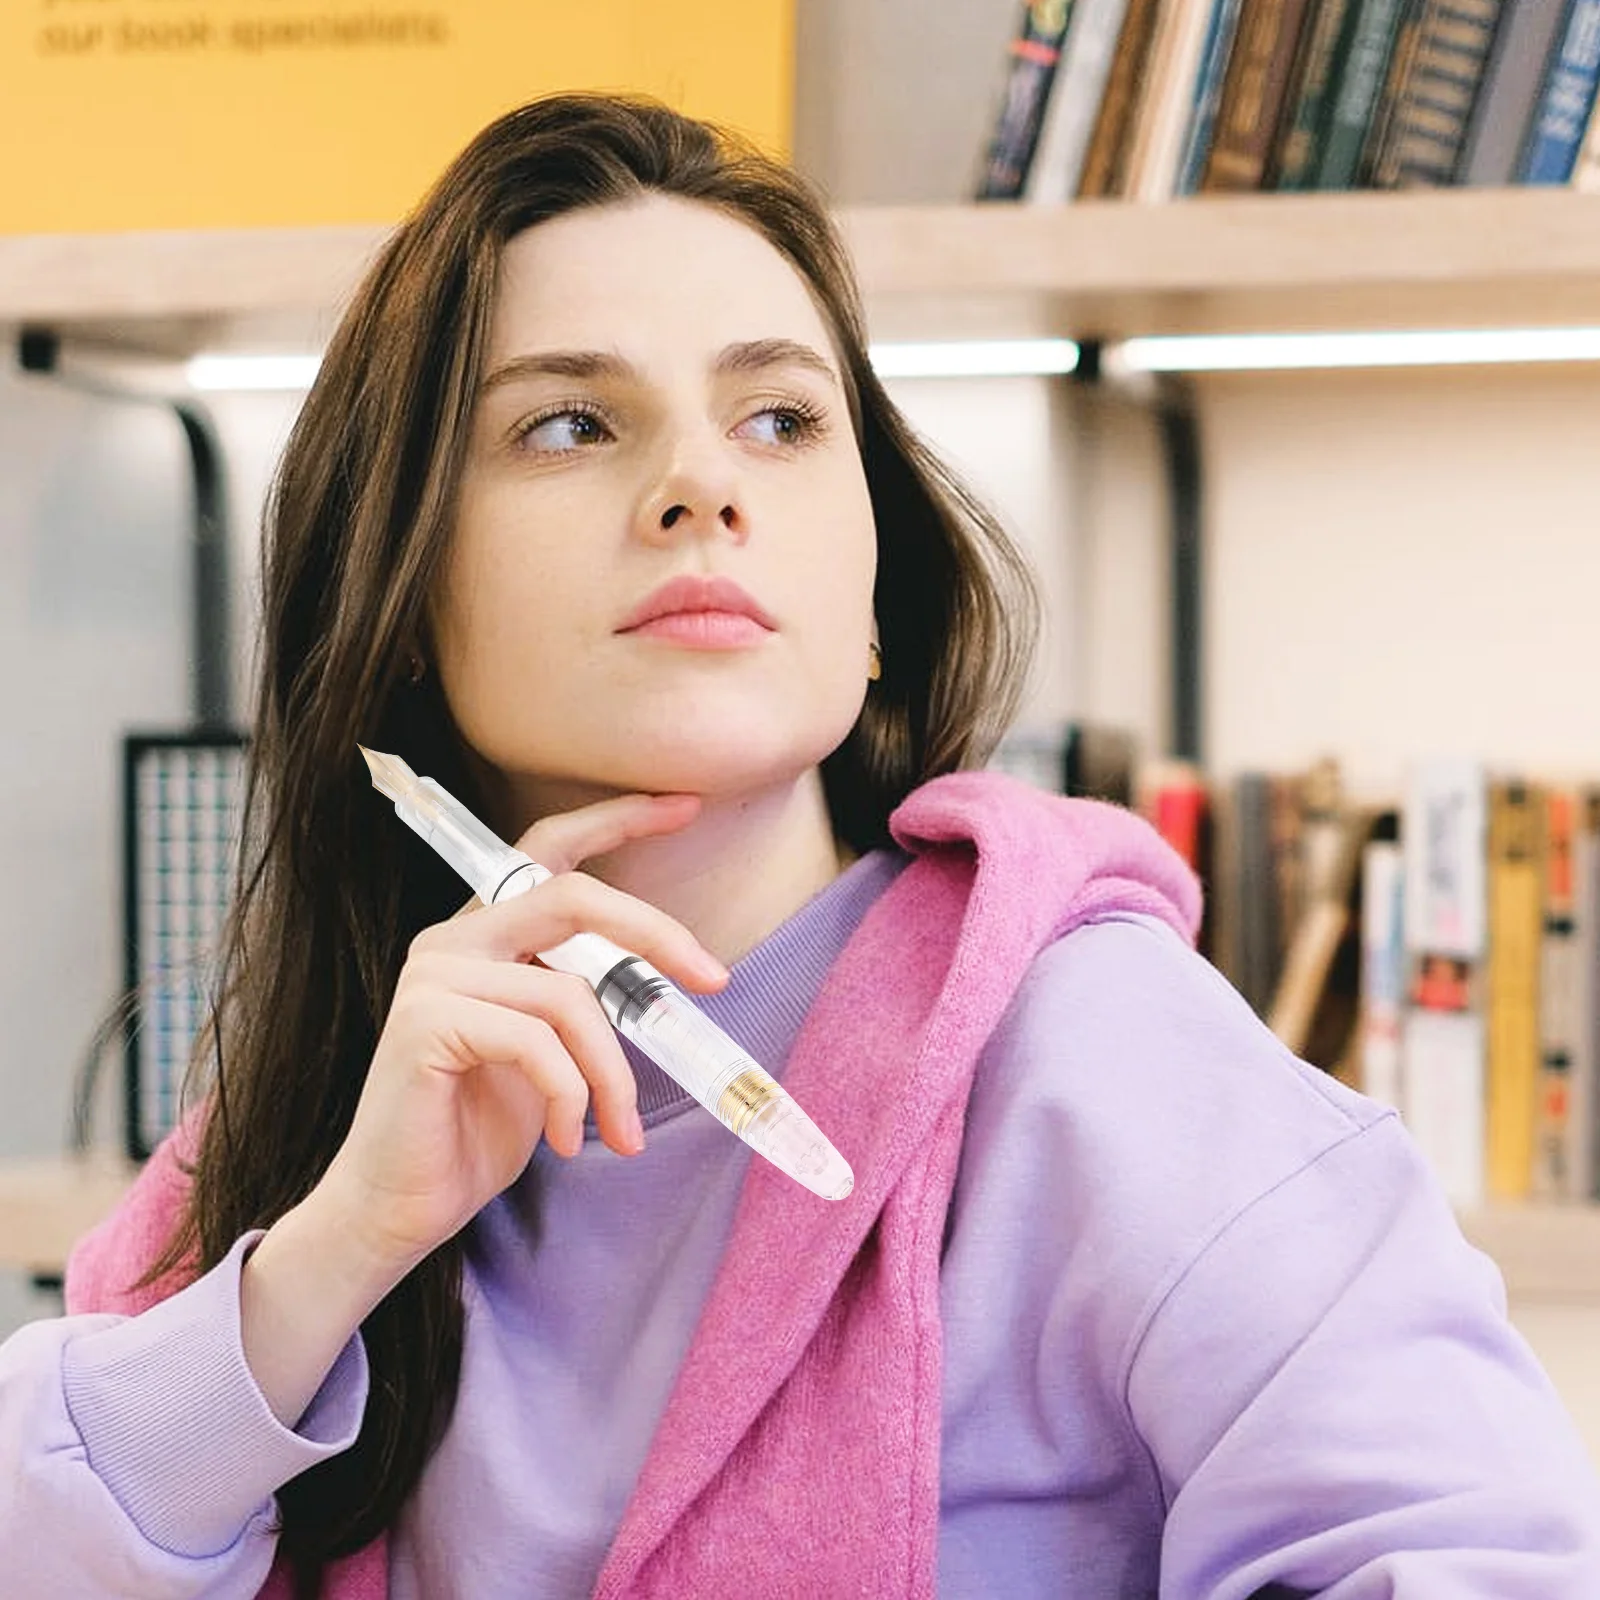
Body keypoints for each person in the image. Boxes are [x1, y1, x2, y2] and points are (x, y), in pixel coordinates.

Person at [2, 93, 1597, 1600]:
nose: (699, 484)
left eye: (778, 418)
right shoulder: (334, 1116)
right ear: (403, 599)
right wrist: (337, 1253)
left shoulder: (1098, 1058)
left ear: (881, 584)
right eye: (567, 425)